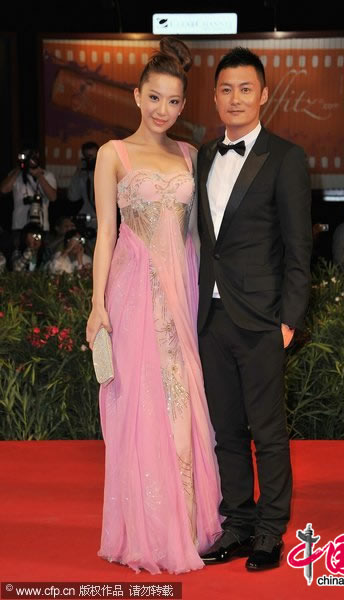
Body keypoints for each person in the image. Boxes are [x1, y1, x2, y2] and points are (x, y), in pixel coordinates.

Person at [85, 37, 220, 574]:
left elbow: (199, 237)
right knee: (143, 409)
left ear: (183, 106)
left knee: (183, 404)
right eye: (154, 98)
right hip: (135, 291)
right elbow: (105, 236)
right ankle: (148, 528)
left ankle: (186, 523)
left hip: (182, 291)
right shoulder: (111, 155)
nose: (163, 110)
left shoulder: (191, 155)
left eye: (173, 102)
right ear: (137, 95)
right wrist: (97, 305)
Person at [197, 47, 312, 571]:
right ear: (215, 96)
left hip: (263, 319)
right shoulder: (202, 156)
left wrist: (289, 319)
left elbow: (297, 249)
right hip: (211, 318)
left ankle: (270, 532)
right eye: (226, 89)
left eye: (246, 89)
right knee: (226, 432)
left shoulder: (286, 158)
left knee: (267, 432)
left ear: (264, 95)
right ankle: (237, 525)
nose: (235, 98)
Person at [0, 147, 57, 247]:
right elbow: (4, 189)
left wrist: (39, 176)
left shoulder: (47, 175)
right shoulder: (15, 174)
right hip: (20, 225)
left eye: (31, 157)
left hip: (41, 226)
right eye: (25, 156)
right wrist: (19, 168)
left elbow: (52, 197)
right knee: (19, 257)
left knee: (41, 256)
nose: (29, 160)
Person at [67, 141, 99, 227]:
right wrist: (78, 172)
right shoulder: (82, 175)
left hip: (102, 218)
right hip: (86, 218)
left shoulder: (106, 173)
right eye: (88, 157)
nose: (91, 160)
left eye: (93, 157)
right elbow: (72, 197)